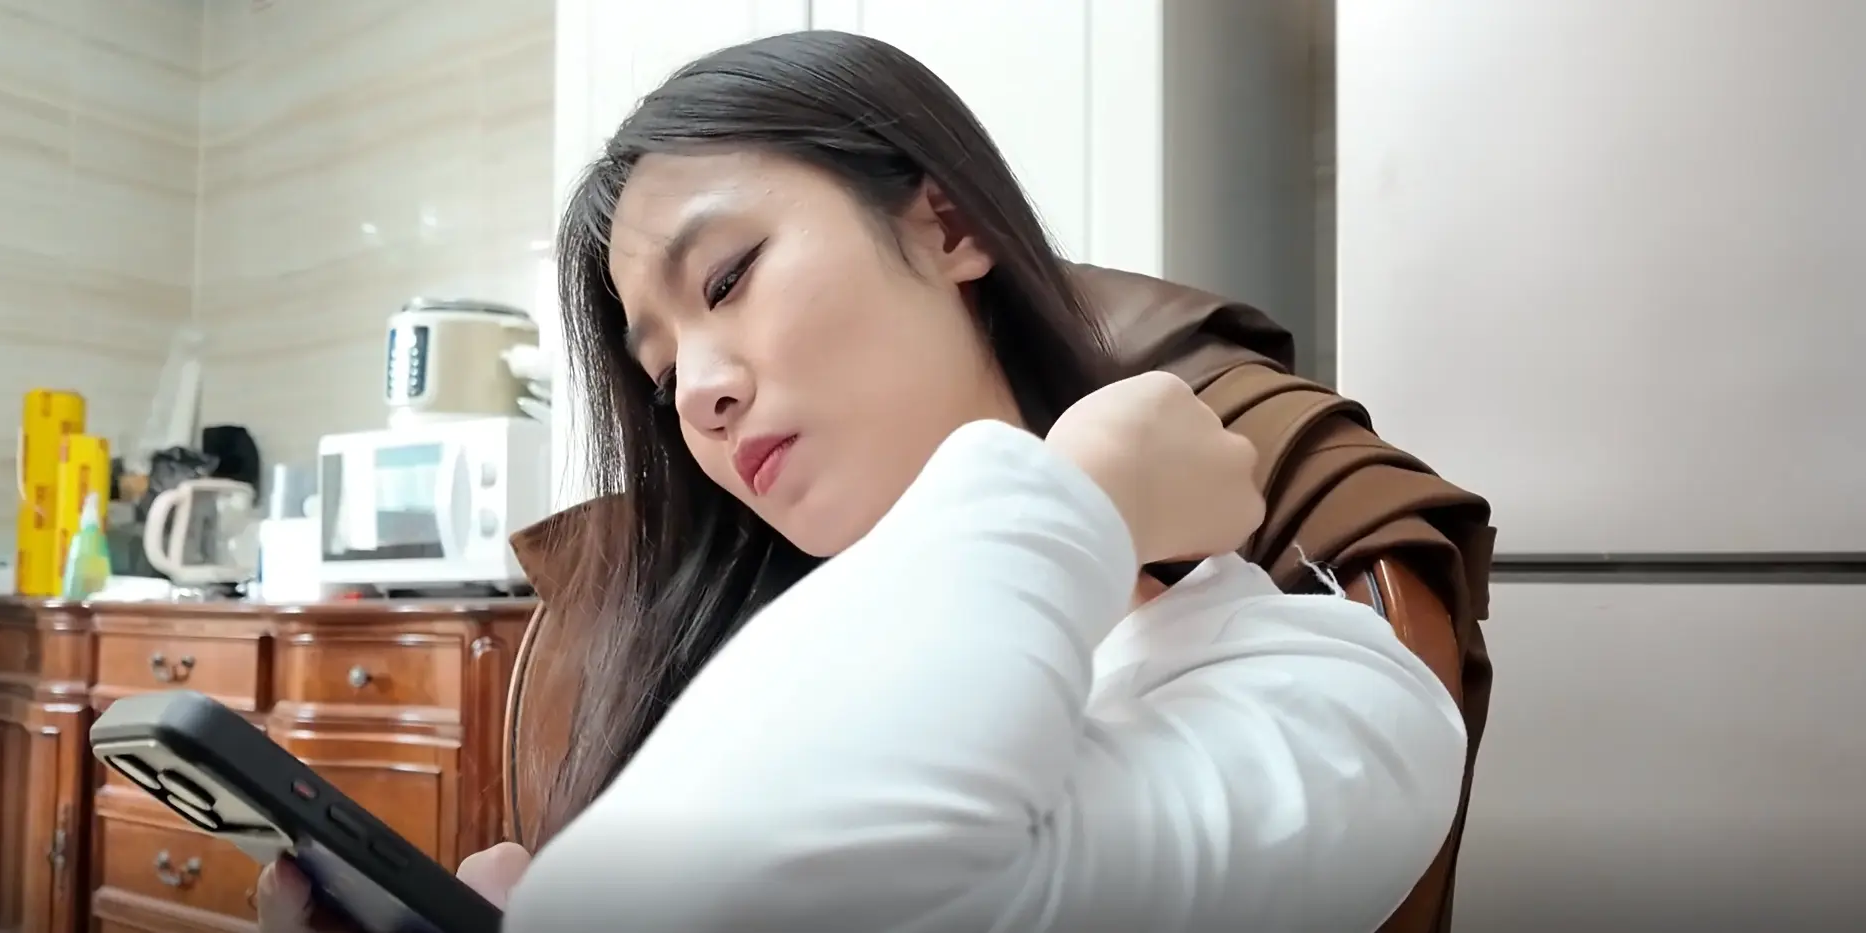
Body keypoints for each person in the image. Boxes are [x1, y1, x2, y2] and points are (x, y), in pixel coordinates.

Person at [257, 29, 1469, 933]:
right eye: (662, 370)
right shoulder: (750, 679)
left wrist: (1081, 494)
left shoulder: (1331, 696)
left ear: (946, 226)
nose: (696, 394)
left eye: (727, 279)